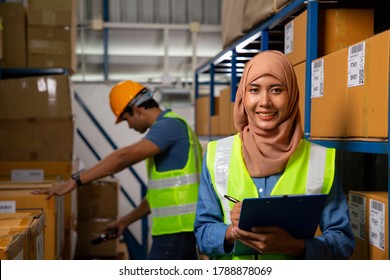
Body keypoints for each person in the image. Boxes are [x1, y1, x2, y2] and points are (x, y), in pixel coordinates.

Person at [194, 50, 355, 260]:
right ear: (243, 95)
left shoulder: (320, 160)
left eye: (276, 90)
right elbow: (202, 233)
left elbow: (342, 243)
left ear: (292, 96)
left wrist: (295, 246)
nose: (265, 102)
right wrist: (232, 232)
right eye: (254, 90)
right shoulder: (217, 155)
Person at [33, 80, 203, 260]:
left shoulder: (170, 126)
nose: (129, 126)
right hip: (179, 231)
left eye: (126, 119)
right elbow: (155, 199)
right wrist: (124, 222)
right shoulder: (172, 127)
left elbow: (123, 157)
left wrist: (73, 182)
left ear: (136, 109)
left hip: (177, 233)